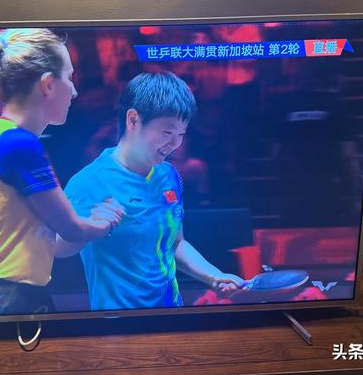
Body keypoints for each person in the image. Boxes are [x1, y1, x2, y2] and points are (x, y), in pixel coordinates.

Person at [0, 28, 123, 316]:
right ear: (48, 84)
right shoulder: (19, 144)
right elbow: (71, 229)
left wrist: (92, 224)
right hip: (6, 303)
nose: (74, 91)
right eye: (69, 77)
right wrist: (105, 222)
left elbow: (55, 244)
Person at [57, 71, 244, 310]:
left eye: (181, 134)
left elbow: (175, 244)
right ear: (133, 120)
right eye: (167, 133)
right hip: (117, 323)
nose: (175, 143)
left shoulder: (168, 175)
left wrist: (215, 277)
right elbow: (57, 248)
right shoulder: (89, 182)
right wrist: (88, 229)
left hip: (172, 315)